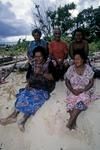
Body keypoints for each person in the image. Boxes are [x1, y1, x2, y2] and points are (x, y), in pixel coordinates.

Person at [0, 46, 56, 132]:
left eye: (40, 56)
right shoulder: (32, 64)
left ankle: (23, 120)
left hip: (45, 87)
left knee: (34, 100)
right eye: (36, 56)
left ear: (44, 56)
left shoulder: (49, 64)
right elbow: (28, 76)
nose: (37, 58)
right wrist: (29, 83)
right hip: (33, 85)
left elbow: (53, 77)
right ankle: (13, 116)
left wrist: (41, 72)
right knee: (23, 95)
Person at [64, 49, 95, 130]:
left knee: (82, 100)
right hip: (73, 90)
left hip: (85, 90)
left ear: (83, 59)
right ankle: (73, 123)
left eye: (78, 59)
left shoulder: (88, 68)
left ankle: (69, 123)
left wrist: (84, 90)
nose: (76, 61)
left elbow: (91, 82)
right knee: (71, 103)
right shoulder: (71, 68)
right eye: (74, 59)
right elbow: (66, 81)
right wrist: (72, 90)